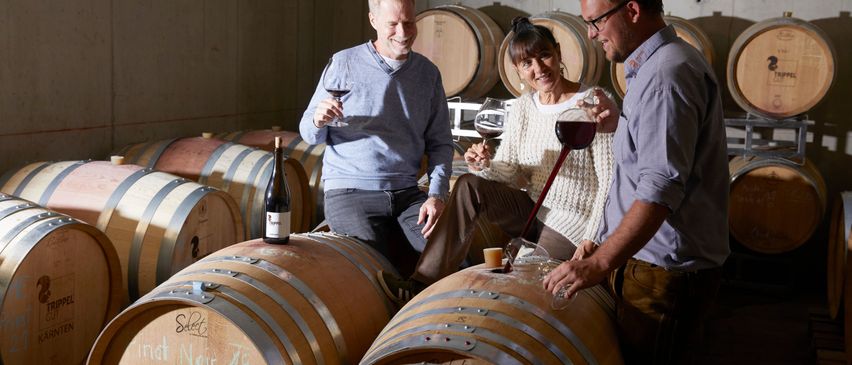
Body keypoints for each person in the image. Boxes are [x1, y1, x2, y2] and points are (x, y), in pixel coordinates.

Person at [378, 16, 620, 305]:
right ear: (518, 69)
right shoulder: (522, 108)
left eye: (544, 56)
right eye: (527, 63)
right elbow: (511, 171)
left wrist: (592, 236)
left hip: (572, 221)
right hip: (532, 210)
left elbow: (610, 181)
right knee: (468, 184)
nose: (538, 68)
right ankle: (422, 283)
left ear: (557, 52)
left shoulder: (594, 101)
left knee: (524, 281)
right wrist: (485, 165)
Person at [543, 1, 731, 364]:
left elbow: (660, 187)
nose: (591, 34)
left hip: (664, 272)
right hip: (651, 263)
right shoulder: (661, 64)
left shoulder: (665, 74)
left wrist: (599, 264)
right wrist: (621, 124)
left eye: (596, 21)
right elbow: (658, 154)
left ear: (631, 10)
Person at [299, 0, 454, 271]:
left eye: (408, 23)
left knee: (449, 261)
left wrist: (437, 194)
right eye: (392, 24)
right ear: (373, 21)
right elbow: (309, 134)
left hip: (407, 194)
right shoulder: (344, 62)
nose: (403, 33)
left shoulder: (427, 73)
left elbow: (441, 143)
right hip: (350, 193)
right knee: (376, 273)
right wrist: (317, 119)